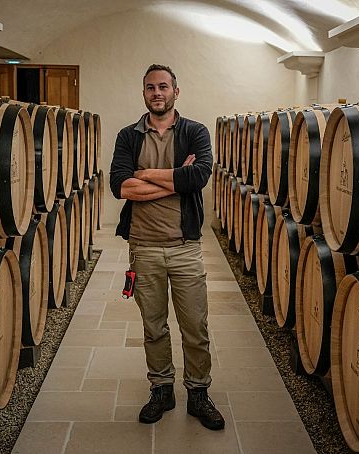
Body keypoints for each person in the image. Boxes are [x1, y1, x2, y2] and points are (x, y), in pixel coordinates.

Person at [109, 64, 223, 430]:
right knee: (153, 325)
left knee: (195, 326)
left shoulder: (195, 132)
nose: (156, 93)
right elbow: (121, 187)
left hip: (184, 247)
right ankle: (161, 388)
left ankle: (199, 392)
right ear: (143, 93)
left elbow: (199, 176)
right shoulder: (129, 136)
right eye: (150, 88)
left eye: (163, 86)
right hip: (143, 247)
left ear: (176, 91)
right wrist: (176, 179)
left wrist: (145, 175)